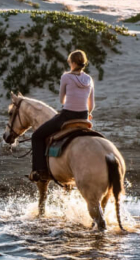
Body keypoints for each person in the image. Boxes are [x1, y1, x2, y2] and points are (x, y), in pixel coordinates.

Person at [29, 50, 95, 182]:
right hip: (83, 117)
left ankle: (40, 171)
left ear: (74, 63)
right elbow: (91, 104)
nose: (69, 64)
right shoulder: (89, 79)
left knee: (36, 136)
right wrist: (86, 112)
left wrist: (71, 102)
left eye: (70, 62)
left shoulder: (66, 77)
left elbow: (61, 100)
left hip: (67, 116)